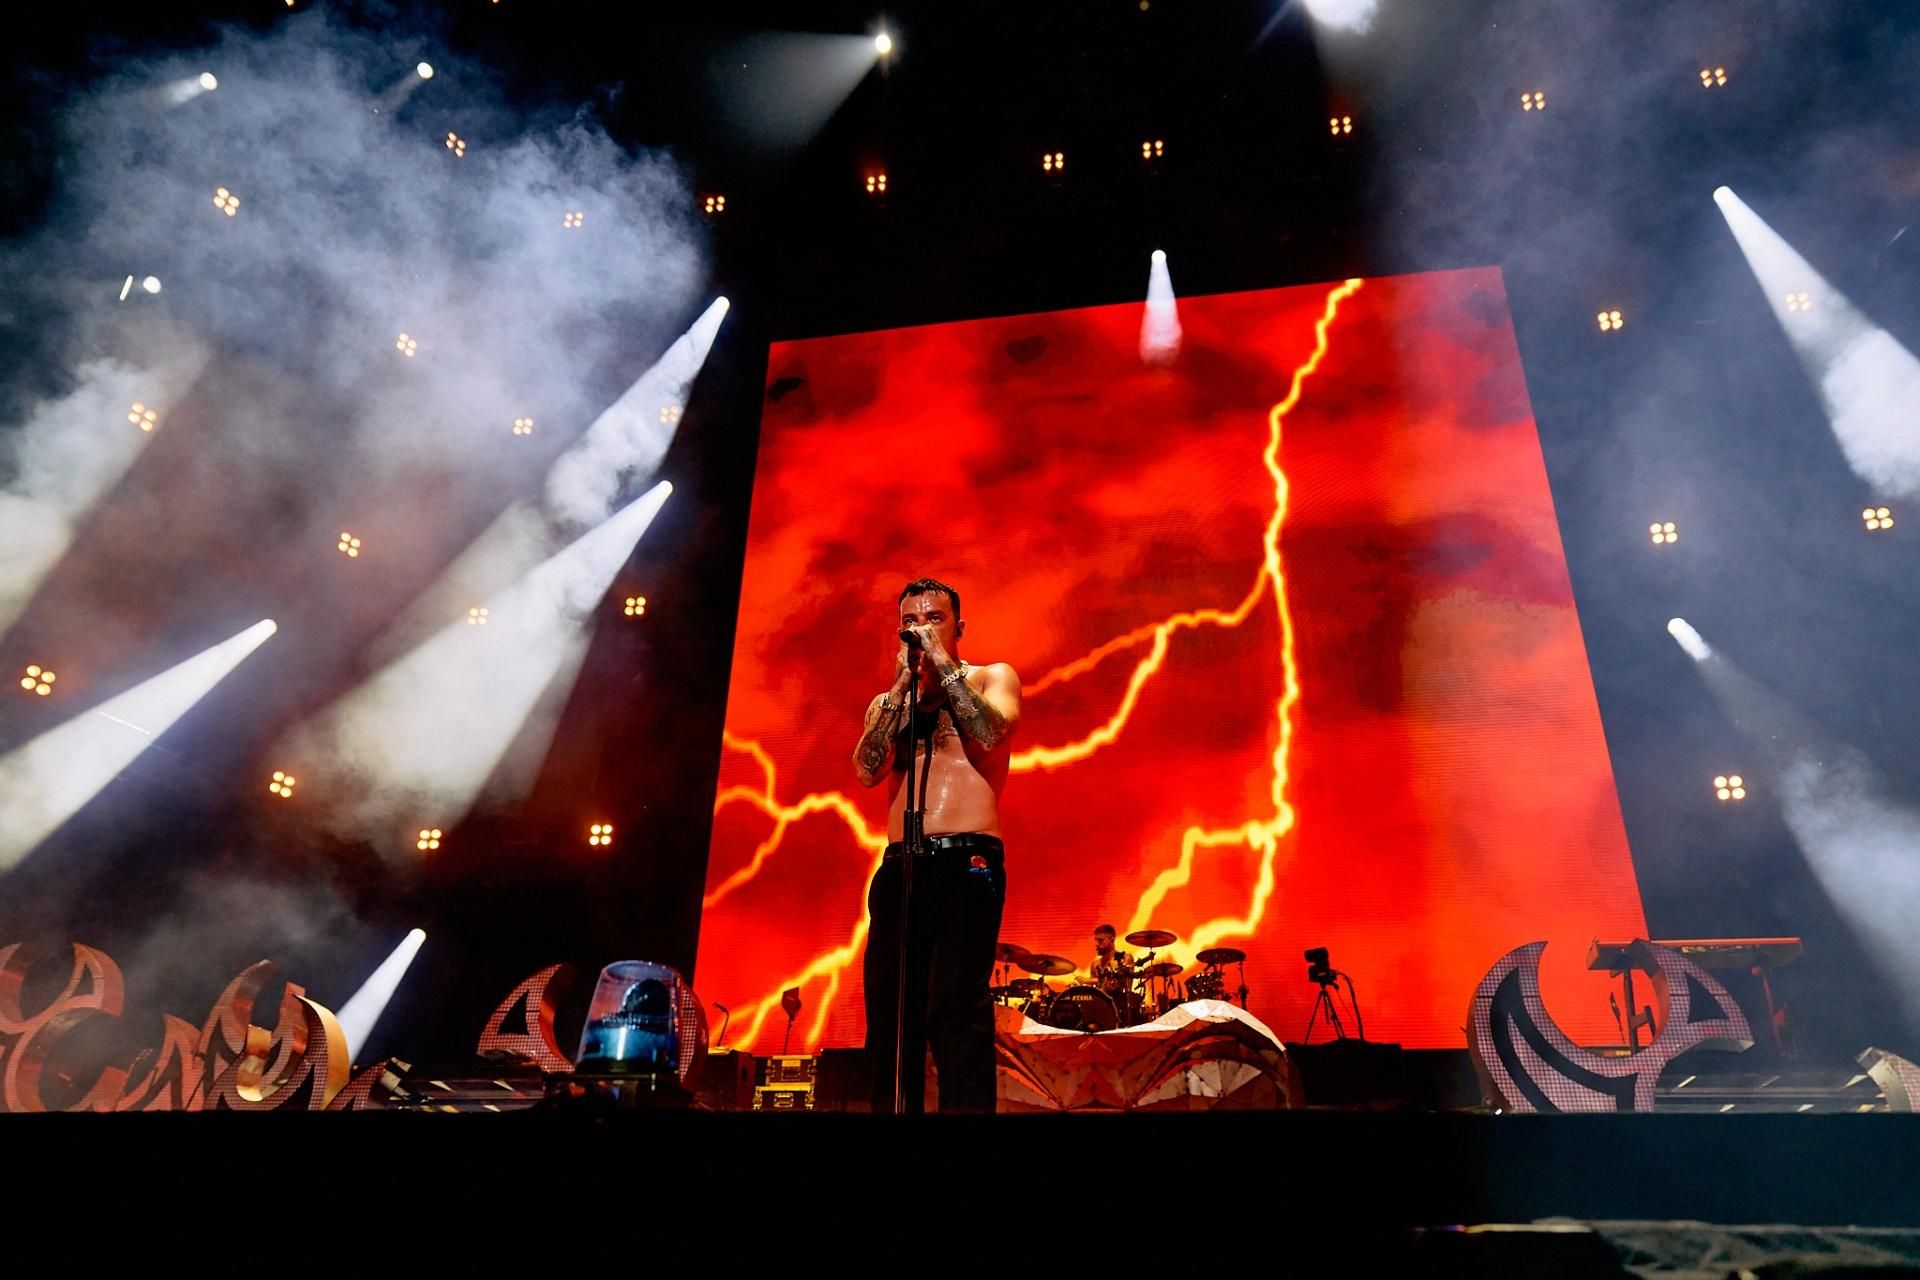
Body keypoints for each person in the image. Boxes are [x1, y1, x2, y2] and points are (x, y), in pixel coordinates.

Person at [852, 577, 1022, 1113]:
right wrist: (901, 689)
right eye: (909, 621)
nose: (919, 629)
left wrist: (941, 665)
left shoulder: (992, 677)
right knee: (890, 1012)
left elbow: (991, 734)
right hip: (902, 865)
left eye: (933, 618)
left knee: (955, 1005)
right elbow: (866, 771)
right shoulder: (890, 702)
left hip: (967, 862)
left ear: (958, 627)